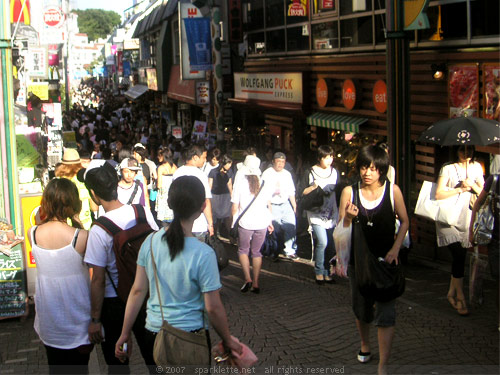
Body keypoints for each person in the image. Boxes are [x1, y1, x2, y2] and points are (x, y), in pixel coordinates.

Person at [115, 176, 242, 364]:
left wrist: (125, 333)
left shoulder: (150, 242)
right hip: (191, 337)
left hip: (154, 334)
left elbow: (138, 291)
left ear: (169, 203)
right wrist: (228, 339)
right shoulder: (204, 254)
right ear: (201, 208)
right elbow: (213, 307)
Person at [338, 145, 409, 375]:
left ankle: (383, 365)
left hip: (386, 262)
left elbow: (405, 221)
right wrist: (348, 218)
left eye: (372, 168)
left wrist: (396, 249)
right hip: (358, 263)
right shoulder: (350, 192)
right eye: (363, 167)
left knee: (386, 314)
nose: (367, 172)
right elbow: (341, 230)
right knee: (362, 309)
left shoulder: (392, 191)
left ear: (381, 169)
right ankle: (365, 344)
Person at [82, 161, 159, 373]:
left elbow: (97, 279)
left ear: (93, 194)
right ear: (116, 185)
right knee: (154, 356)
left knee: (118, 362)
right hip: (146, 296)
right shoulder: (141, 212)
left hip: (115, 304)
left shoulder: (99, 229)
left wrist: (95, 319)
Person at [28, 178, 93, 374]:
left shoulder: (33, 233)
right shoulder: (81, 237)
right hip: (78, 320)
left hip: (49, 322)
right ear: (73, 202)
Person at [435, 145, 484, 316]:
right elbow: (438, 194)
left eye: (469, 149)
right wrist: (459, 189)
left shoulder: (476, 167)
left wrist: (472, 186)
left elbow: (483, 193)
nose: (466, 153)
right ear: (456, 151)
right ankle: (461, 296)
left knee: (460, 257)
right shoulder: (448, 168)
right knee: (458, 254)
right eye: (463, 149)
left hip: (466, 218)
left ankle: (451, 293)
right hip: (448, 219)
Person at [231, 155, 274, 293]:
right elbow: (268, 204)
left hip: (245, 222)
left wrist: (233, 221)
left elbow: (235, 206)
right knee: (257, 252)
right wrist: (270, 221)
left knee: (243, 250)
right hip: (262, 222)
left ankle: (247, 278)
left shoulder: (240, 183)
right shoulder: (264, 182)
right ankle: (256, 282)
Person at [300, 145, 338, 284]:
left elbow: (338, 191)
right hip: (316, 213)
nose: (329, 160)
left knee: (331, 245)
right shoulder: (310, 172)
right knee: (322, 242)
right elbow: (301, 192)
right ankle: (319, 271)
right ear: (319, 158)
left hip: (332, 213)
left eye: (331, 157)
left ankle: (327, 271)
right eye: (326, 157)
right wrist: (313, 187)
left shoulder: (335, 172)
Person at [261, 152, 298, 260]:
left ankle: (290, 250)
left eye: (283, 162)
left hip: (285, 203)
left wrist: (294, 205)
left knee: (291, 226)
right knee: (274, 229)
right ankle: (274, 251)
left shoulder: (287, 174)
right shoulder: (267, 173)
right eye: (278, 161)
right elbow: (263, 192)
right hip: (272, 204)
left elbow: (291, 191)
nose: (280, 164)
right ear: (273, 162)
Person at [173, 144, 214, 238]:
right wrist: (210, 224)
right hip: (198, 226)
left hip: (180, 224)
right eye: (204, 157)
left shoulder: (177, 172)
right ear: (195, 157)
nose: (205, 160)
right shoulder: (201, 175)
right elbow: (206, 201)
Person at [55, 148, 97, 230]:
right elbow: (94, 207)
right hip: (85, 225)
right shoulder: (85, 180)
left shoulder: (58, 181)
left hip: (65, 226)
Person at [208, 154, 233, 239]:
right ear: (223, 163)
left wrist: (232, 194)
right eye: (228, 163)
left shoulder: (229, 172)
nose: (230, 166)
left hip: (226, 196)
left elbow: (229, 184)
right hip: (215, 195)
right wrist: (208, 196)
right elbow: (210, 185)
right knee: (215, 216)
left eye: (230, 164)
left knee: (227, 216)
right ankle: (214, 234)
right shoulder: (213, 172)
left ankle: (229, 234)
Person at [156, 147, 178, 225]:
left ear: (163, 156)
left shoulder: (161, 168)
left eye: (159, 155)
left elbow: (159, 185)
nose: (158, 157)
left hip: (163, 195)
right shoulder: (175, 167)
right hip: (173, 193)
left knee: (163, 221)